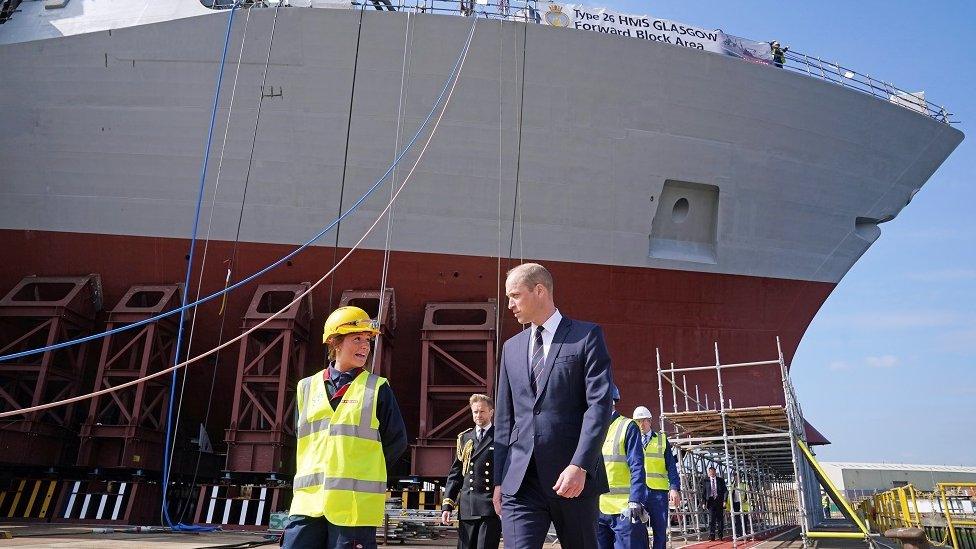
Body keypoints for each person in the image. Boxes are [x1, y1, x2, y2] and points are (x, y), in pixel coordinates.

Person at [493, 262, 614, 549]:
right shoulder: (511, 347)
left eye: (515, 295)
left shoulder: (586, 336)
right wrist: (499, 480)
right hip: (520, 482)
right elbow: (504, 418)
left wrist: (580, 465)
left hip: (572, 478)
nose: (509, 304)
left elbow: (599, 405)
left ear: (539, 290)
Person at [281, 306, 408, 549]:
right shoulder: (306, 388)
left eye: (368, 340)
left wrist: (365, 466)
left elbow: (397, 442)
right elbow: (304, 438)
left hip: (353, 508)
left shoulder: (378, 388)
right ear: (334, 342)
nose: (365, 346)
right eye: (357, 339)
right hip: (308, 505)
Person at [442, 394, 501, 549]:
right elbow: (456, 475)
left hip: (489, 507)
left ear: (491, 412)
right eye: (475, 412)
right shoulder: (464, 438)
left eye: (482, 411)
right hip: (467, 507)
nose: (478, 415)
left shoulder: (500, 436)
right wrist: (447, 506)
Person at [597, 386, 649, 549]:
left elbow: (637, 466)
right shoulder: (594, 429)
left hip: (624, 509)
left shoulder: (627, 426)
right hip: (598, 508)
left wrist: (635, 500)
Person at [632, 406, 681, 549]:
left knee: (659, 530)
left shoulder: (662, 439)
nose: (640, 424)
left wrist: (673, 488)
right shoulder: (631, 439)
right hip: (637, 491)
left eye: (643, 421)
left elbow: (671, 465)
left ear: (650, 421)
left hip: (658, 493)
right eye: (637, 421)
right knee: (637, 529)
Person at [700, 466, 727, 542]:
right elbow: (704, 493)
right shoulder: (706, 481)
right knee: (711, 520)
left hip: (719, 501)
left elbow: (725, 491)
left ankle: (720, 535)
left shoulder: (720, 480)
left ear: (715, 472)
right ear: (708, 473)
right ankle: (712, 535)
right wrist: (703, 502)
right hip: (710, 502)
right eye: (710, 471)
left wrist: (724, 501)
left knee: (720, 519)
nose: (711, 473)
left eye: (713, 471)